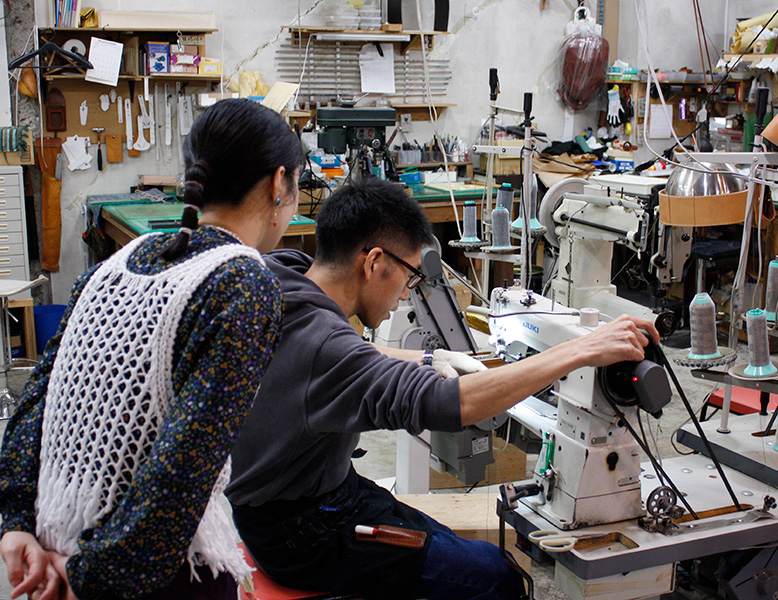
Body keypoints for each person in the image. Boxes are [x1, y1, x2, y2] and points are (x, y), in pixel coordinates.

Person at [226, 177, 659, 600]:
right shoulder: (325, 346)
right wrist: (581, 349)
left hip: (297, 499)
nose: (404, 295)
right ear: (374, 262)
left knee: (451, 546)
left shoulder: (284, 272)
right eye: (409, 276)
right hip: (304, 533)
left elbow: (348, 355)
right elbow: (449, 403)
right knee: (497, 578)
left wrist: (429, 359)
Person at [0, 98, 304, 600]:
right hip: (146, 576)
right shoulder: (243, 283)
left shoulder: (118, 262)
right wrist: (92, 576)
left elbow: (37, 400)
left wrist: (15, 523)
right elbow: (185, 467)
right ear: (278, 183)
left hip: (53, 543)